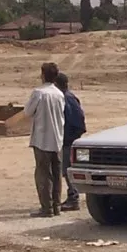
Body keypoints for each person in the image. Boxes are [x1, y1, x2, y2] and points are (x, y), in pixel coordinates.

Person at [24, 62, 66, 217]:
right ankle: (57, 206)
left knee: (43, 174)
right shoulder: (59, 94)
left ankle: (46, 208)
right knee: (56, 174)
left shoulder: (39, 93)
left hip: (42, 139)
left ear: (43, 75)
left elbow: (27, 112)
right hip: (57, 139)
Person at [54, 72, 87, 212]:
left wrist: (70, 138)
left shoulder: (68, 98)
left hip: (69, 140)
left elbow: (78, 121)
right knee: (65, 169)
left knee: (68, 170)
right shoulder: (65, 97)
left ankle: (73, 198)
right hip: (66, 139)